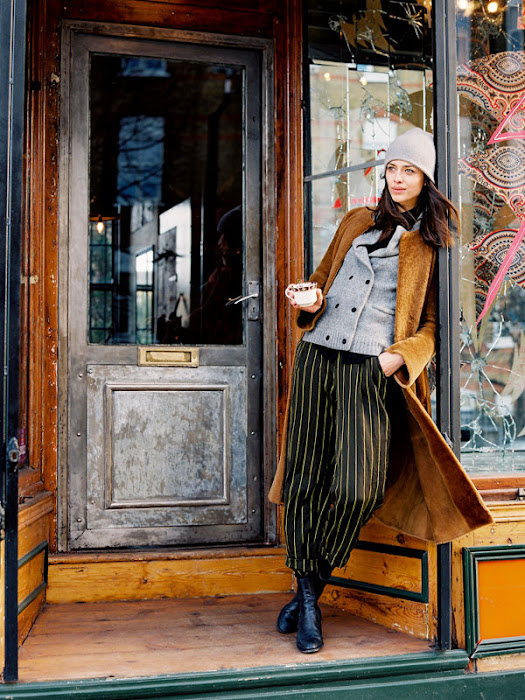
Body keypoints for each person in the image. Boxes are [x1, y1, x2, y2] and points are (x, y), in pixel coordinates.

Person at [268, 128, 493, 654]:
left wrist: (398, 358)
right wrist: (305, 299)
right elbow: (320, 282)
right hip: (318, 358)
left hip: (372, 369)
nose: (397, 179)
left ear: (426, 180)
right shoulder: (355, 222)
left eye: (408, 171)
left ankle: (309, 587)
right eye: (392, 169)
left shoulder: (436, 242)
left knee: (358, 487)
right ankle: (308, 600)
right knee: (303, 479)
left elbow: (435, 329)